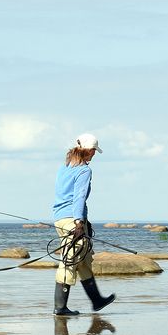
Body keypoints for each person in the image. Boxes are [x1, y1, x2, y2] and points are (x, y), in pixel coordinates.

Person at [51, 133, 115, 316]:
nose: (94, 154)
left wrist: (84, 221)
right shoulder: (84, 170)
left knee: (84, 259)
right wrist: (79, 222)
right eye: (93, 150)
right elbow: (78, 197)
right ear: (87, 150)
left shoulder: (65, 167)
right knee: (70, 261)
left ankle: (97, 300)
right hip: (73, 220)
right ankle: (60, 308)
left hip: (61, 218)